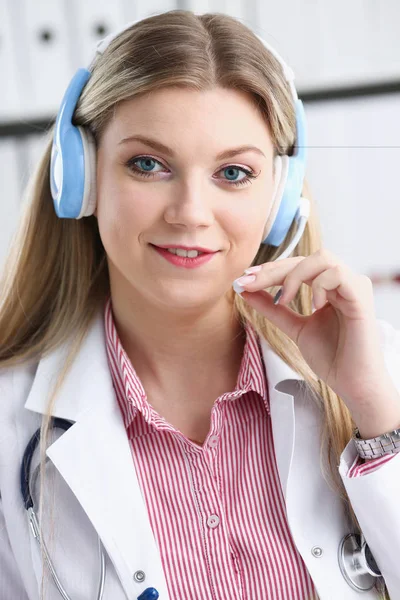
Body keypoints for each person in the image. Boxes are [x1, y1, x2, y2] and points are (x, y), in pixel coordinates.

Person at [0, 9, 399, 600]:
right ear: (80, 176)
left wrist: (378, 424)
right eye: (148, 164)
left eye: (233, 172)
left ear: (281, 198)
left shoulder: (377, 377)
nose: (189, 211)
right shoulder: (11, 421)